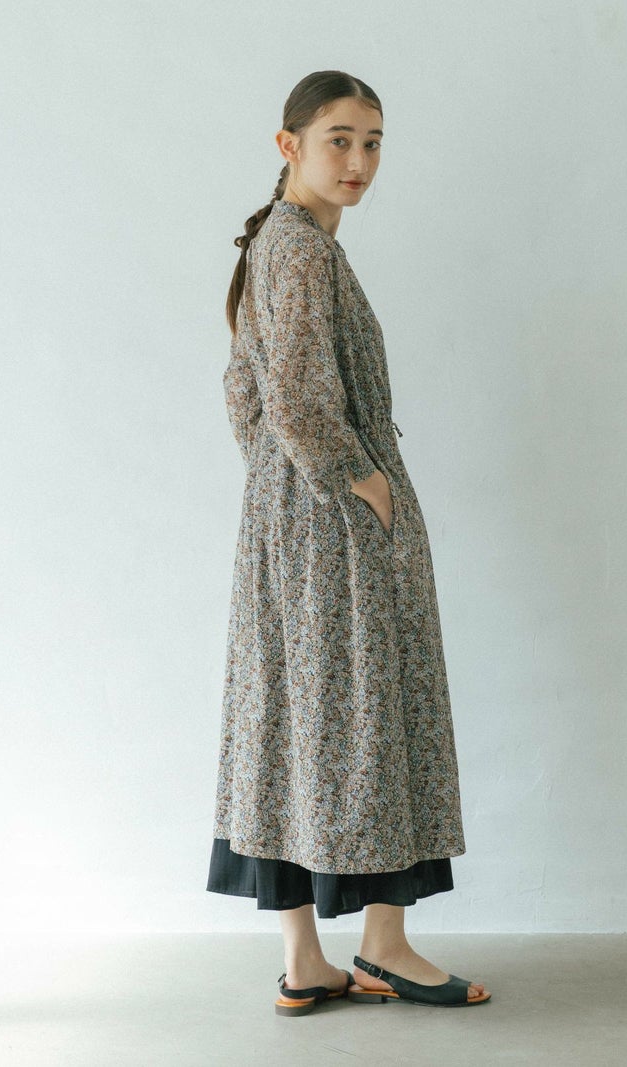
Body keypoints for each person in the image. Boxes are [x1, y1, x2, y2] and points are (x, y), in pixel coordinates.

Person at [206, 70, 491, 1014]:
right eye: (339, 139)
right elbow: (288, 396)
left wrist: (281, 483)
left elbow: (243, 394)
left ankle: (306, 961)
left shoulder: (278, 244)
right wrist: (358, 478)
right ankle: (385, 946)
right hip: (332, 521)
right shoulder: (300, 250)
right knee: (370, 710)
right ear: (288, 144)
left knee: (294, 715)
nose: (359, 160)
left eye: (373, 142)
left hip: (288, 519)